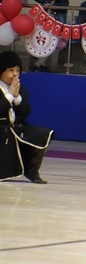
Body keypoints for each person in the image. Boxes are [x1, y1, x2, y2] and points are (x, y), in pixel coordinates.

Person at [0, 51, 53, 184]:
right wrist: (9, 96)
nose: (15, 74)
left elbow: (25, 113)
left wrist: (17, 97)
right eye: (10, 70)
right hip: (2, 130)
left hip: (16, 128)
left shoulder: (20, 89)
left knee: (42, 134)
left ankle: (32, 170)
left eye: (17, 70)